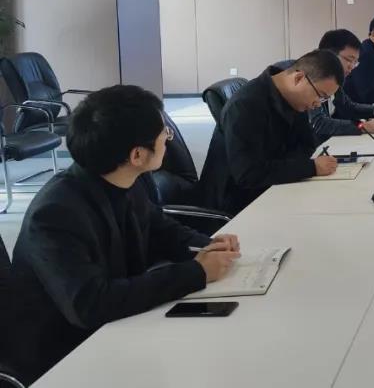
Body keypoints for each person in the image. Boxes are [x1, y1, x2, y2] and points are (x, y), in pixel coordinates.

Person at [9, 85, 241, 382]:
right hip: (65, 355)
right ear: (137, 155)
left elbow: (160, 229)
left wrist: (207, 246)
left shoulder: (125, 180)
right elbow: (90, 305)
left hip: (119, 324)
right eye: (164, 134)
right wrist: (196, 273)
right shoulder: (55, 214)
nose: (168, 138)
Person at [200, 50, 344, 213]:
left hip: (275, 188)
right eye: (320, 96)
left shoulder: (295, 100)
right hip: (238, 206)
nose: (318, 104)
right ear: (298, 78)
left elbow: (307, 146)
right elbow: (248, 174)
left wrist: (299, 166)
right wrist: (310, 167)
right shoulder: (245, 105)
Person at [310, 29, 374, 142]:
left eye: (355, 62)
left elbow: (347, 105)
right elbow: (319, 123)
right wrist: (364, 127)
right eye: (349, 60)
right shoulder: (312, 77)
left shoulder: (335, 77)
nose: (351, 67)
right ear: (328, 54)